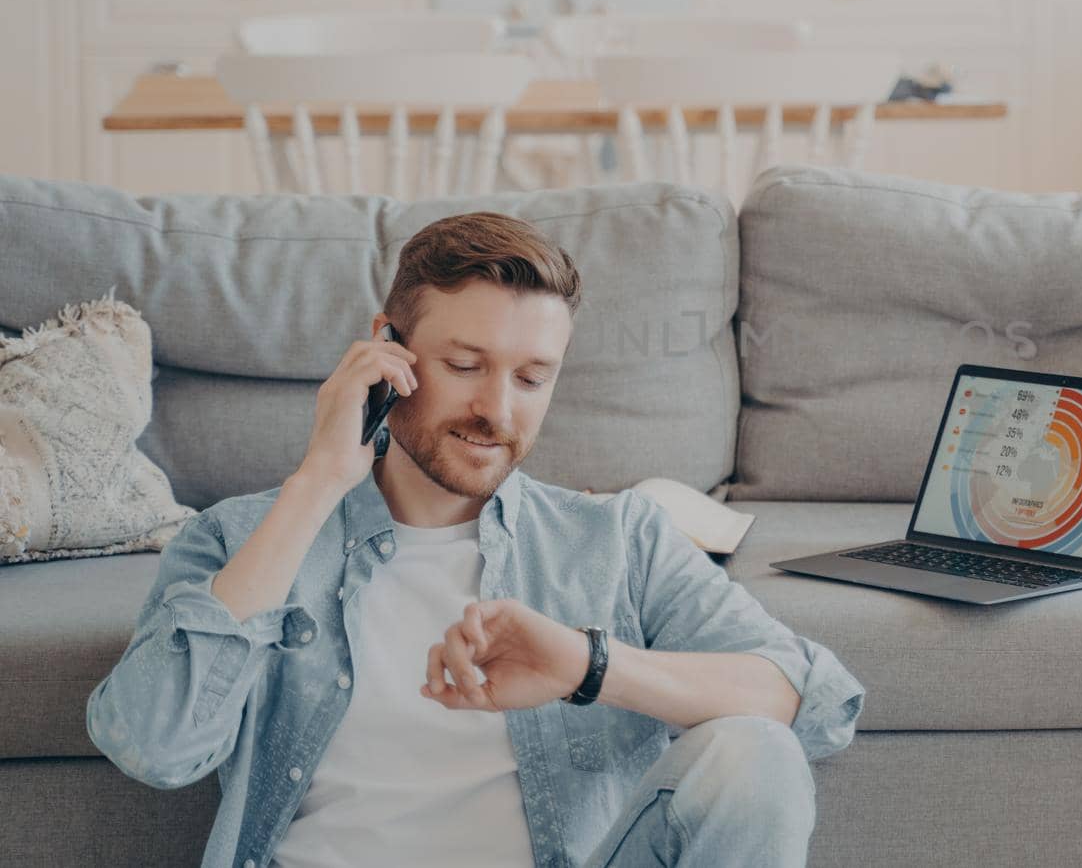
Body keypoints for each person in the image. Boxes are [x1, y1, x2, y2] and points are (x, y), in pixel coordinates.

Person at [87, 211, 865, 868]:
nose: (497, 410)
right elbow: (154, 745)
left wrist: (586, 664)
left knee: (753, 756)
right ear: (387, 350)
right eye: (465, 365)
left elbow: (815, 700)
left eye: (532, 379)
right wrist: (318, 481)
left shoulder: (618, 540)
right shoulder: (242, 538)